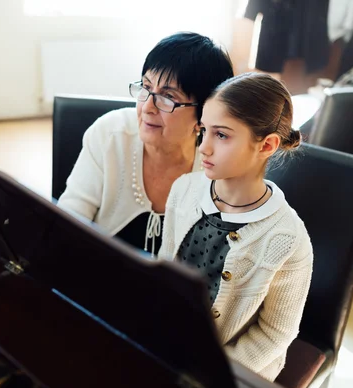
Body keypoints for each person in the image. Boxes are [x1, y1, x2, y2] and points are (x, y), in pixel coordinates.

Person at [158, 72, 313, 381]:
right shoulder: (185, 190)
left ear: (267, 145)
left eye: (222, 135)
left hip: (231, 373)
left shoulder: (288, 239)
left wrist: (211, 371)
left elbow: (275, 334)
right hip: (171, 346)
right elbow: (163, 267)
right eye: (204, 130)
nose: (204, 147)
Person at [57, 32, 234, 256]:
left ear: (203, 116)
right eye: (146, 87)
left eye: (168, 97)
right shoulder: (110, 135)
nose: (147, 107)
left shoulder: (219, 166)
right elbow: (67, 223)